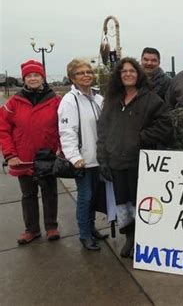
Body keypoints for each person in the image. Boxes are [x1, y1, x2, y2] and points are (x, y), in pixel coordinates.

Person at [97, 57, 173, 258]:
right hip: (116, 162)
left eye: (132, 70)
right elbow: (102, 131)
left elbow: (165, 127)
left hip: (140, 162)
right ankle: (130, 237)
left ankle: (144, 239)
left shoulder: (152, 99)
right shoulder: (112, 101)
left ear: (138, 74)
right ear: (119, 76)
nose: (128, 74)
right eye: (124, 71)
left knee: (142, 202)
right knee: (123, 203)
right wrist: (103, 159)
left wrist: (139, 137)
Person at [0, 60, 61, 244]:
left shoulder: (56, 100)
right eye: (29, 76)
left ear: (42, 77)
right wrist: (10, 154)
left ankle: (51, 227)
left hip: (48, 157)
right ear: (24, 79)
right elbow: (3, 129)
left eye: (36, 75)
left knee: (50, 193)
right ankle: (32, 229)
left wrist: (61, 150)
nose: (33, 78)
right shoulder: (14, 103)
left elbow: (64, 127)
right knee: (28, 195)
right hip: (22, 158)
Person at [58, 59, 108, 251]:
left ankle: (91, 227)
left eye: (88, 71)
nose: (86, 75)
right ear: (72, 78)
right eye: (81, 73)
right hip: (83, 160)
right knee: (85, 197)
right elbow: (67, 131)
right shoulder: (69, 101)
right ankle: (84, 234)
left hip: (99, 159)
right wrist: (74, 157)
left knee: (95, 196)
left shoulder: (97, 98)